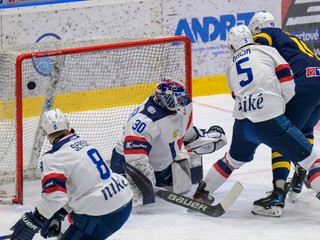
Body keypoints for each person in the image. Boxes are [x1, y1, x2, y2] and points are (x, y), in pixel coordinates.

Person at [191, 24, 320, 217]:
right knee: (309, 159)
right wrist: (277, 104)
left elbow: (236, 94)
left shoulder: (230, 63)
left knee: (232, 160)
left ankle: (202, 192)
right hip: (272, 121)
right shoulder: (266, 50)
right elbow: (288, 81)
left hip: (243, 124)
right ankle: (279, 194)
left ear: (232, 46)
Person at [10, 108, 133, 240]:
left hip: (101, 215)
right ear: (68, 126)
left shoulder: (52, 158)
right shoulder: (83, 143)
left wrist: (33, 220)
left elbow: (55, 198)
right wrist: (59, 214)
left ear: (46, 134)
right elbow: (83, 187)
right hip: (124, 202)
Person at [110, 78, 227, 207]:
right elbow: (136, 161)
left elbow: (184, 132)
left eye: (182, 98)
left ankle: (160, 178)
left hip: (161, 164)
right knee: (140, 201)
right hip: (127, 165)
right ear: (163, 99)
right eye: (177, 99)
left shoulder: (182, 105)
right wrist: (145, 185)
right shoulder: (144, 121)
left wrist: (200, 138)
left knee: (183, 185)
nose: (181, 102)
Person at [248, 11, 320, 211]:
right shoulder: (290, 37)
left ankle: (278, 194)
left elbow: (258, 52)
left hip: (304, 84)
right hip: (318, 80)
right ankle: (300, 174)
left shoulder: (266, 33)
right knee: (304, 130)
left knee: (281, 137)